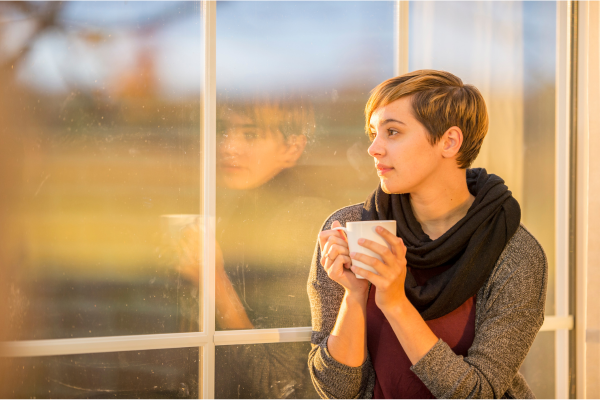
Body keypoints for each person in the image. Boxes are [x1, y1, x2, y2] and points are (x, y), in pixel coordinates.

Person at [307, 70, 547, 399]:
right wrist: (355, 294)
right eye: (374, 132)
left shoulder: (514, 252)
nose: (373, 148)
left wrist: (394, 302)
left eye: (392, 132)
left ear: (449, 142)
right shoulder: (350, 229)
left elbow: (478, 393)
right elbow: (336, 391)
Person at [177, 95, 330, 398]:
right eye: (223, 131)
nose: (228, 146)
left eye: (250, 134)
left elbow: (280, 384)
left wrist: (214, 281)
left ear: (293, 147)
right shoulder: (250, 208)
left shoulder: (297, 221)